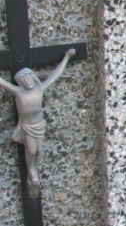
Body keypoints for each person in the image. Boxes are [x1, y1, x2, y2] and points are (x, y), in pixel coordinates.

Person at [0, 48, 76, 196]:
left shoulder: (40, 89)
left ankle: (34, 171)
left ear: (33, 78)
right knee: (32, 150)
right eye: (23, 80)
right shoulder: (18, 92)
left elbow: (55, 75)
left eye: (28, 78)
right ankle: (31, 171)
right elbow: (2, 82)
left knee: (39, 151)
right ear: (20, 83)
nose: (27, 81)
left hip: (39, 125)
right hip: (27, 126)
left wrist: (67, 57)